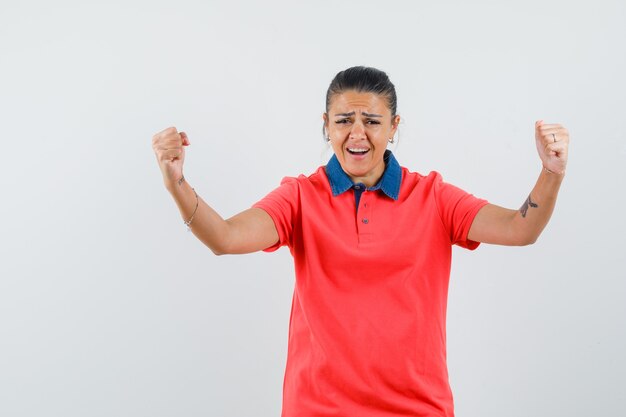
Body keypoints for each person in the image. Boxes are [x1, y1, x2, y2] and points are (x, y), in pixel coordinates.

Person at [151, 66, 569, 417]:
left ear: (394, 126)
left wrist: (551, 171)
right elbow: (224, 237)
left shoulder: (433, 197)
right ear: (325, 124)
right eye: (343, 120)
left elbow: (520, 228)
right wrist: (177, 182)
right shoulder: (299, 196)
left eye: (371, 121)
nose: (357, 134)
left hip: (418, 408)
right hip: (316, 408)